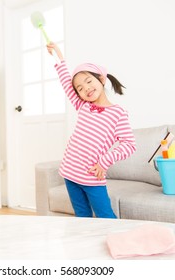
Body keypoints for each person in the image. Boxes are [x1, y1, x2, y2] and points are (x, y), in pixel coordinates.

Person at [46, 42, 136, 218]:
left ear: (101, 79)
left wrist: (105, 161)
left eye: (88, 81)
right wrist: (59, 56)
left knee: (105, 216)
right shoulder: (83, 106)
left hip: (91, 176)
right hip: (69, 172)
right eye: (80, 88)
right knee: (82, 216)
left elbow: (129, 145)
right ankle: (86, 245)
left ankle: (117, 243)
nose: (86, 88)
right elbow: (66, 82)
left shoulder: (118, 113)